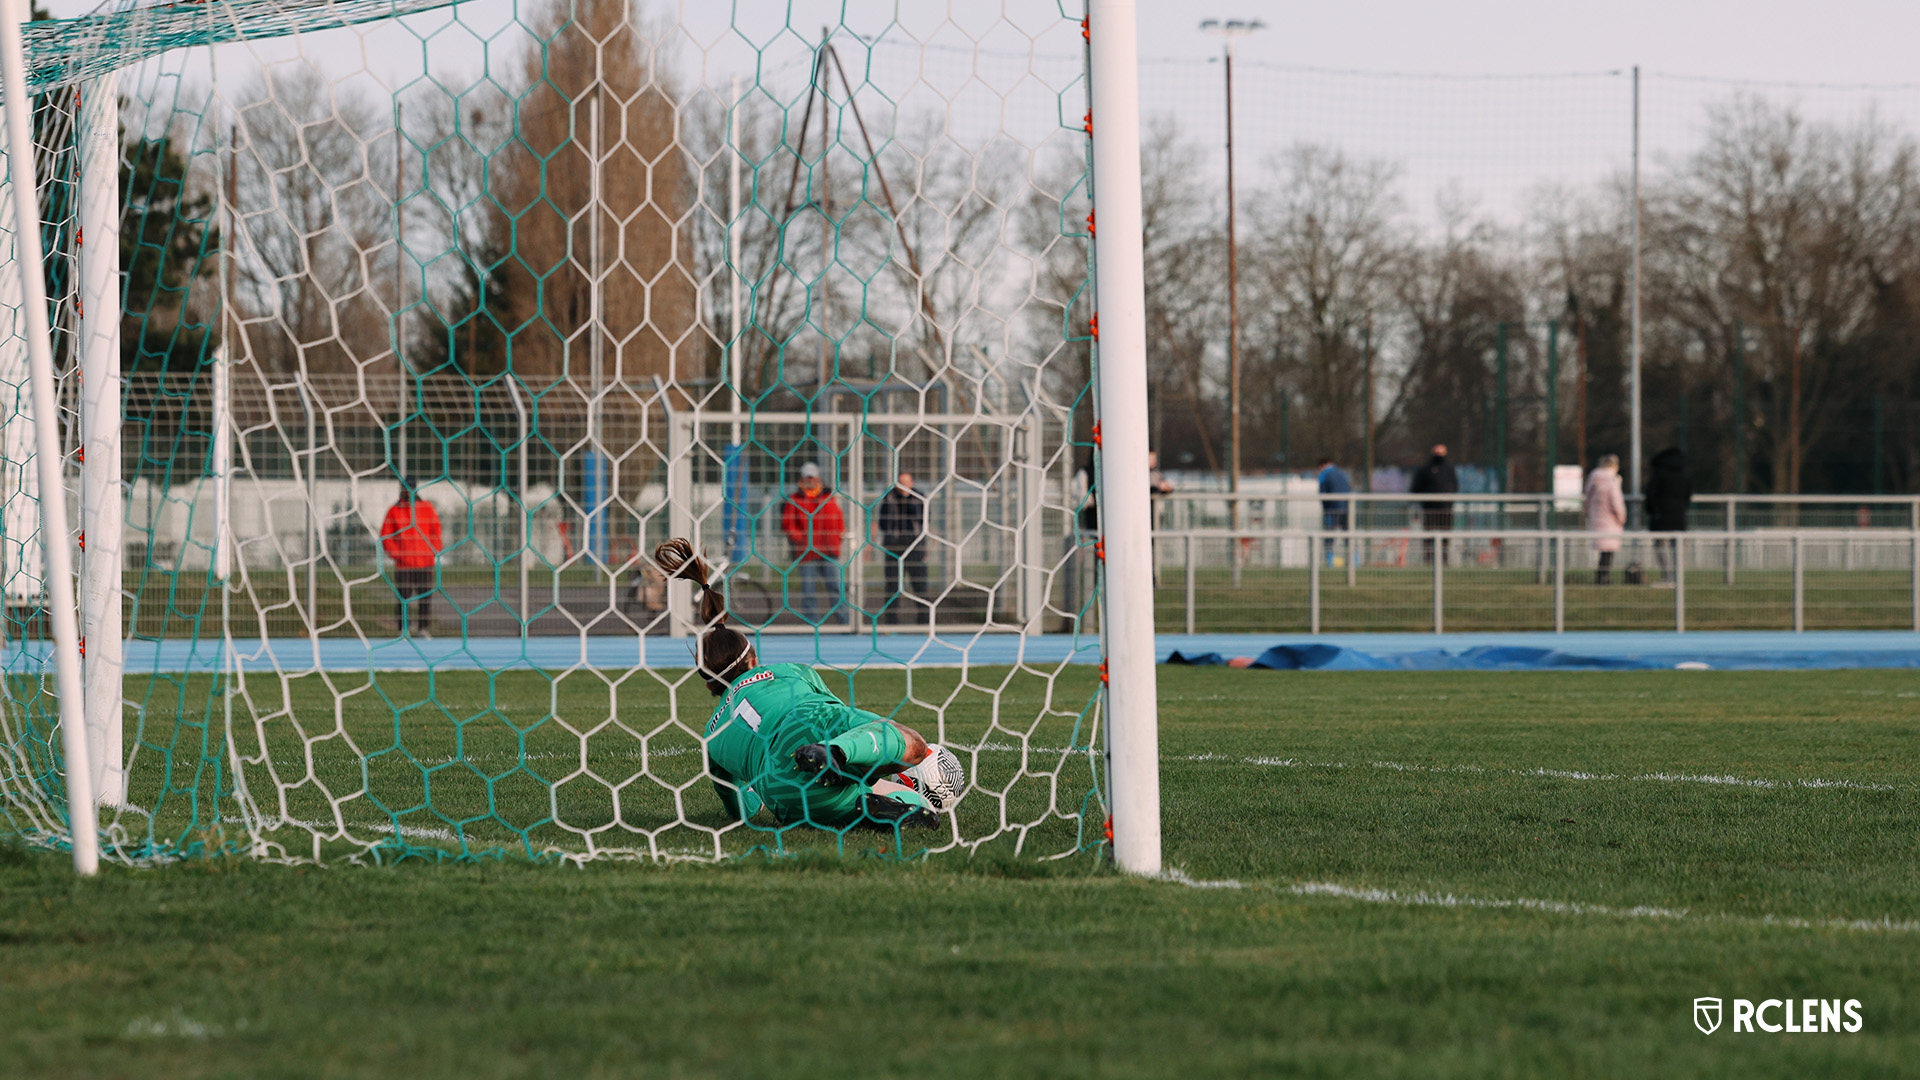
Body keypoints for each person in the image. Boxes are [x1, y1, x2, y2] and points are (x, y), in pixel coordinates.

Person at [653, 538, 940, 831]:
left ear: (709, 685)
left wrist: (757, 799)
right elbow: (841, 717)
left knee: (912, 805)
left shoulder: (712, 733)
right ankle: (838, 753)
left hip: (783, 793)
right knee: (911, 745)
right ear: (753, 659)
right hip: (809, 727)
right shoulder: (787, 671)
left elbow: (739, 807)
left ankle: (863, 806)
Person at [780, 462, 846, 625]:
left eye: (812, 476)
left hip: (829, 550)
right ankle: (812, 625)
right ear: (801, 478)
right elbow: (788, 524)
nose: (809, 480)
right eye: (806, 477)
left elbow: (838, 518)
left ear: (817, 477)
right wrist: (802, 539)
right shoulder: (795, 499)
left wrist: (838, 537)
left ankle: (845, 623)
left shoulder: (828, 497)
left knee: (836, 589)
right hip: (807, 552)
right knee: (808, 590)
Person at [380, 478, 443, 637]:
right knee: (403, 597)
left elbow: (436, 530)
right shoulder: (394, 510)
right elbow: (385, 536)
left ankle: (423, 628)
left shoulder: (426, 508)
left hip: (424, 561)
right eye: (405, 488)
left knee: (425, 597)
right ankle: (403, 629)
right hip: (404, 564)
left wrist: (432, 550)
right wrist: (398, 555)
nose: (408, 491)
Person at [876, 472, 929, 625]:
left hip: (914, 547)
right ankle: (891, 624)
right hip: (894, 547)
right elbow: (883, 522)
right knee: (892, 586)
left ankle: (924, 623)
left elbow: (924, 519)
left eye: (906, 482)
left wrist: (908, 503)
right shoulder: (889, 497)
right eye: (900, 482)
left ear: (912, 483)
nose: (903, 486)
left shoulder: (919, 497)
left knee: (920, 585)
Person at [1645, 446, 1692, 586]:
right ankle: (1677, 578)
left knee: (1660, 545)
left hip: (1661, 516)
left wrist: (1653, 511)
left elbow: (1651, 494)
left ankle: (1667, 577)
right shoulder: (1684, 475)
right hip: (1679, 517)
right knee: (1677, 547)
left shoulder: (1659, 474)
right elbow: (1687, 496)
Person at [1411, 444, 1458, 565]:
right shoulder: (1425, 469)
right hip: (1429, 508)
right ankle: (1428, 561)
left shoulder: (1449, 469)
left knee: (1445, 537)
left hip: (1445, 508)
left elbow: (1455, 487)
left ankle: (1444, 561)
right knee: (1429, 536)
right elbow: (1416, 488)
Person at [1585, 454, 1627, 585]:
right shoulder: (1611, 482)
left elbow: (1587, 500)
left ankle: (1601, 576)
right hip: (1610, 521)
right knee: (1608, 551)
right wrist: (1622, 518)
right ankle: (1603, 577)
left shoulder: (1593, 479)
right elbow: (1616, 502)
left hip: (1597, 518)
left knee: (1603, 551)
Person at [1316, 456, 1353, 567]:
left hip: (1332, 509)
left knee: (1329, 537)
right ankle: (1354, 562)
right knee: (1349, 536)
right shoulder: (1342, 473)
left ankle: (1330, 562)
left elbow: (1322, 493)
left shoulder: (1324, 475)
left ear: (1322, 465)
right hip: (1347, 508)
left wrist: (1325, 508)